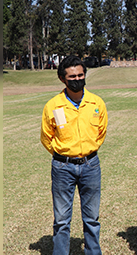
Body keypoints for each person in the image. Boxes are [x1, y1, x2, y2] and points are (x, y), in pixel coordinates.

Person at [40, 55, 108, 255]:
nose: (77, 79)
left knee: (92, 218)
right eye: (72, 76)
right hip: (62, 167)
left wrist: (88, 149)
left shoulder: (97, 103)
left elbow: (101, 132)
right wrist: (63, 154)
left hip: (91, 165)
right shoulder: (53, 106)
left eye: (80, 75)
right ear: (63, 79)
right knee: (61, 219)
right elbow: (46, 137)